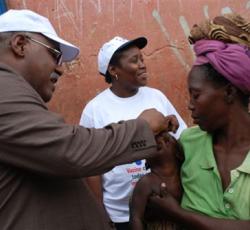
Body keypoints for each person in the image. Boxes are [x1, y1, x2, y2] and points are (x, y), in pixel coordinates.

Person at [0, 9, 179, 230]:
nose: (60, 68)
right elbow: (71, 151)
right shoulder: (4, 90)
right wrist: (142, 129)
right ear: (20, 44)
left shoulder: (156, 95)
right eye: (55, 55)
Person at [144, 13, 250, 229]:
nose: (190, 105)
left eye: (196, 95)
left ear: (229, 92)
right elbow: (157, 187)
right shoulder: (188, 143)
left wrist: (177, 213)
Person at [79, 36, 187, 229]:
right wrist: (102, 215)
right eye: (134, 61)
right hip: (121, 215)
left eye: (142, 59)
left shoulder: (156, 97)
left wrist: (172, 127)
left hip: (165, 208)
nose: (143, 65)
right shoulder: (95, 109)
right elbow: (91, 169)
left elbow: (182, 141)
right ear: (113, 71)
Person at [129, 132, 183, 230]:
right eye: (152, 142)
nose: (159, 141)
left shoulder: (184, 176)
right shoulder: (146, 182)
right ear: (146, 160)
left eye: (166, 141)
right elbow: (136, 217)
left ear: (178, 154)